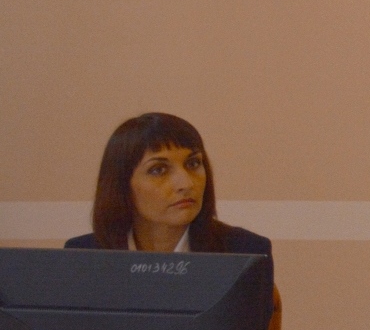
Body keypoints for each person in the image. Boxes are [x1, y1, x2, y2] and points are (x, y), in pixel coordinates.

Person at [66, 113, 273, 275]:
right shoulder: (82, 257)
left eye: (193, 164)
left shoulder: (245, 252)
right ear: (121, 185)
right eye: (158, 170)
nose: (185, 183)